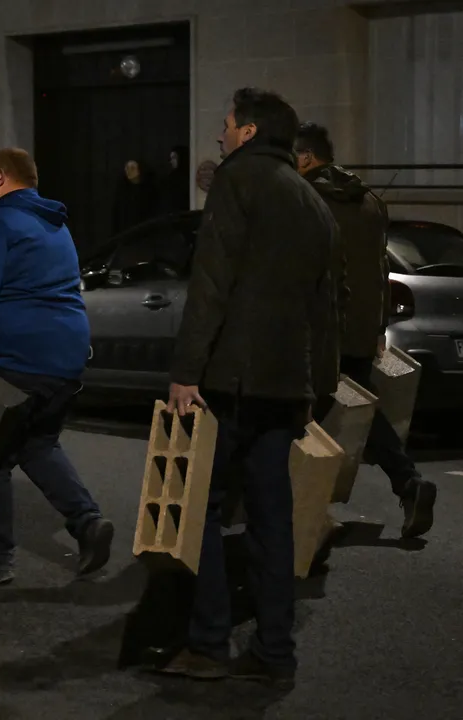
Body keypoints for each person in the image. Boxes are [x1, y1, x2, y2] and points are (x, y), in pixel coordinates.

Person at [160, 88, 340, 684]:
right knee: (272, 518)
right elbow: (324, 312)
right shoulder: (314, 202)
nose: (220, 133)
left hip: (230, 381)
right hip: (284, 388)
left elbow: (210, 283)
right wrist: (316, 388)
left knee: (202, 511)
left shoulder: (237, 183)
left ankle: (209, 643)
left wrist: (187, 371)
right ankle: (274, 650)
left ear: (250, 132)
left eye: (227, 124)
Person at [0, 147, 115, 585]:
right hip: (65, 358)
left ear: (1, 178)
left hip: (13, 356)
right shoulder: (56, 227)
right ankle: (87, 523)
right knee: (38, 444)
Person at [296, 122, 437, 538]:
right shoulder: (371, 202)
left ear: (305, 157)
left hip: (320, 328)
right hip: (359, 329)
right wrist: (378, 327)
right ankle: (407, 484)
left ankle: (302, 515)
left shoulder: (308, 198)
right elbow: (380, 270)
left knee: (302, 418)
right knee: (354, 411)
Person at [111, 159, 158, 235]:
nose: (128, 171)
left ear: (140, 169)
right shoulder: (123, 190)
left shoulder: (150, 190)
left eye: (132, 168)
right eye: (127, 168)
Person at [160, 145, 190, 215]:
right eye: (171, 158)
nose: (171, 161)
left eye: (174, 158)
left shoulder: (188, 177)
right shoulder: (169, 178)